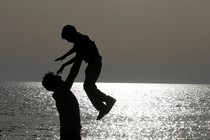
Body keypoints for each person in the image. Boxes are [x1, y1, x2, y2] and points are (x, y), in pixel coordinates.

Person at [55, 25, 116, 120]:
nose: (68, 41)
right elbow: (75, 50)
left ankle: (106, 103)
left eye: (68, 38)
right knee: (89, 86)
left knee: (88, 86)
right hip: (92, 64)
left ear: (72, 35)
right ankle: (104, 104)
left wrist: (65, 63)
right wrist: (64, 57)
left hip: (94, 63)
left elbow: (77, 56)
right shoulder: (80, 41)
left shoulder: (83, 40)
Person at [42, 59, 82, 140]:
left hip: (70, 132)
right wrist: (79, 58)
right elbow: (72, 74)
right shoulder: (61, 92)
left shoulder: (61, 92)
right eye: (56, 77)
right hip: (70, 133)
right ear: (54, 83)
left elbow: (72, 74)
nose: (59, 76)